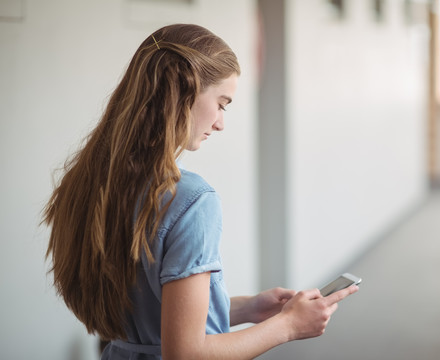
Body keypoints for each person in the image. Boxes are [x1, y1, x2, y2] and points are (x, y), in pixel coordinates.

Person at [43, 23, 358, 359]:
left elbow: (154, 317)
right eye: (221, 103)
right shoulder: (191, 200)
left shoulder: (89, 180)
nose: (221, 122)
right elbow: (187, 353)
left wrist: (247, 309)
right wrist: (289, 326)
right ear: (184, 89)